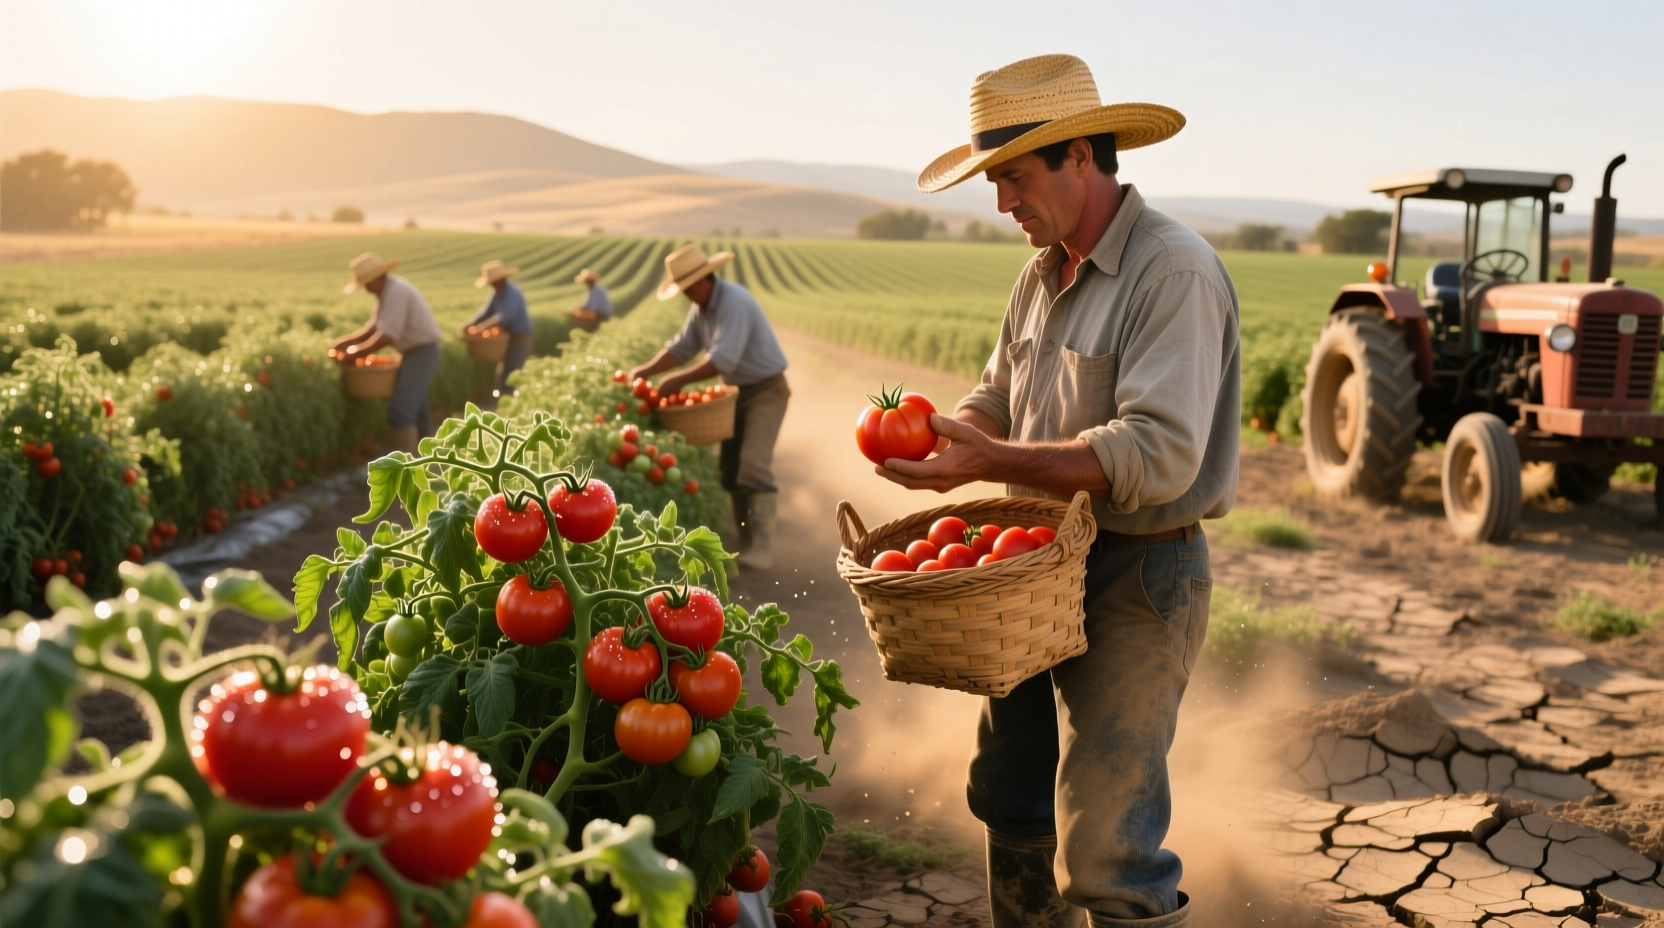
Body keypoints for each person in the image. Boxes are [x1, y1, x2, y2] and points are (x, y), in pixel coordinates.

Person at [877, 55, 1240, 928]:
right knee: (1010, 795)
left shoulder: (1171, 272)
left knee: (1109, 852)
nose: (1002, 203)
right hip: (1031, 573)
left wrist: (989, 459)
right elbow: (998, 392)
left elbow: (1157, 456)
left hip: (1137, 576)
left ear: (1081, 155)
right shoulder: (1041, 271)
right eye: (994, 180)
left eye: (1014, 176)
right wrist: (948, 436)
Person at [627, 244, 789, 570]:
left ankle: (761, 547)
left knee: (753, 464)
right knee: (729, 469)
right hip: (733, 392)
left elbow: (723, 358)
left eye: (687, 289)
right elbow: (682, 347)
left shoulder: (734, 302)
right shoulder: (702, 307)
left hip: (765, 391)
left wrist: (678, 381)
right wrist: (644, 371)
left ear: (702, 280)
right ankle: (743, 538)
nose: (686, 295)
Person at [334, 252, 443, 453]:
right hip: (412, 353)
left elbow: (387, 337)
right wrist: (345, 342)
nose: (366, 289)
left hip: (422, 352)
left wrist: (355, 353)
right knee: (417, 407)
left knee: (400, 410)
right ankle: (430, 457)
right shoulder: (386, 292)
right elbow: (373, 329)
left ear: (379, 277)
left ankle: (401, 467)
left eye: (367, 283)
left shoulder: (396, 293)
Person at [464, 260, 534, 401]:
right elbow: (484, 313)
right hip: (506, 339)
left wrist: (481, 328)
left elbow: (504, 317)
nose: (492, 285)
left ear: (501, 279)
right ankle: (502, 403)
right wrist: (468, 324)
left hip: (520, 339)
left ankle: (515, 405)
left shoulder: (513, 293)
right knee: (502, 374)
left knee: (513, 373)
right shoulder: (496, 294)